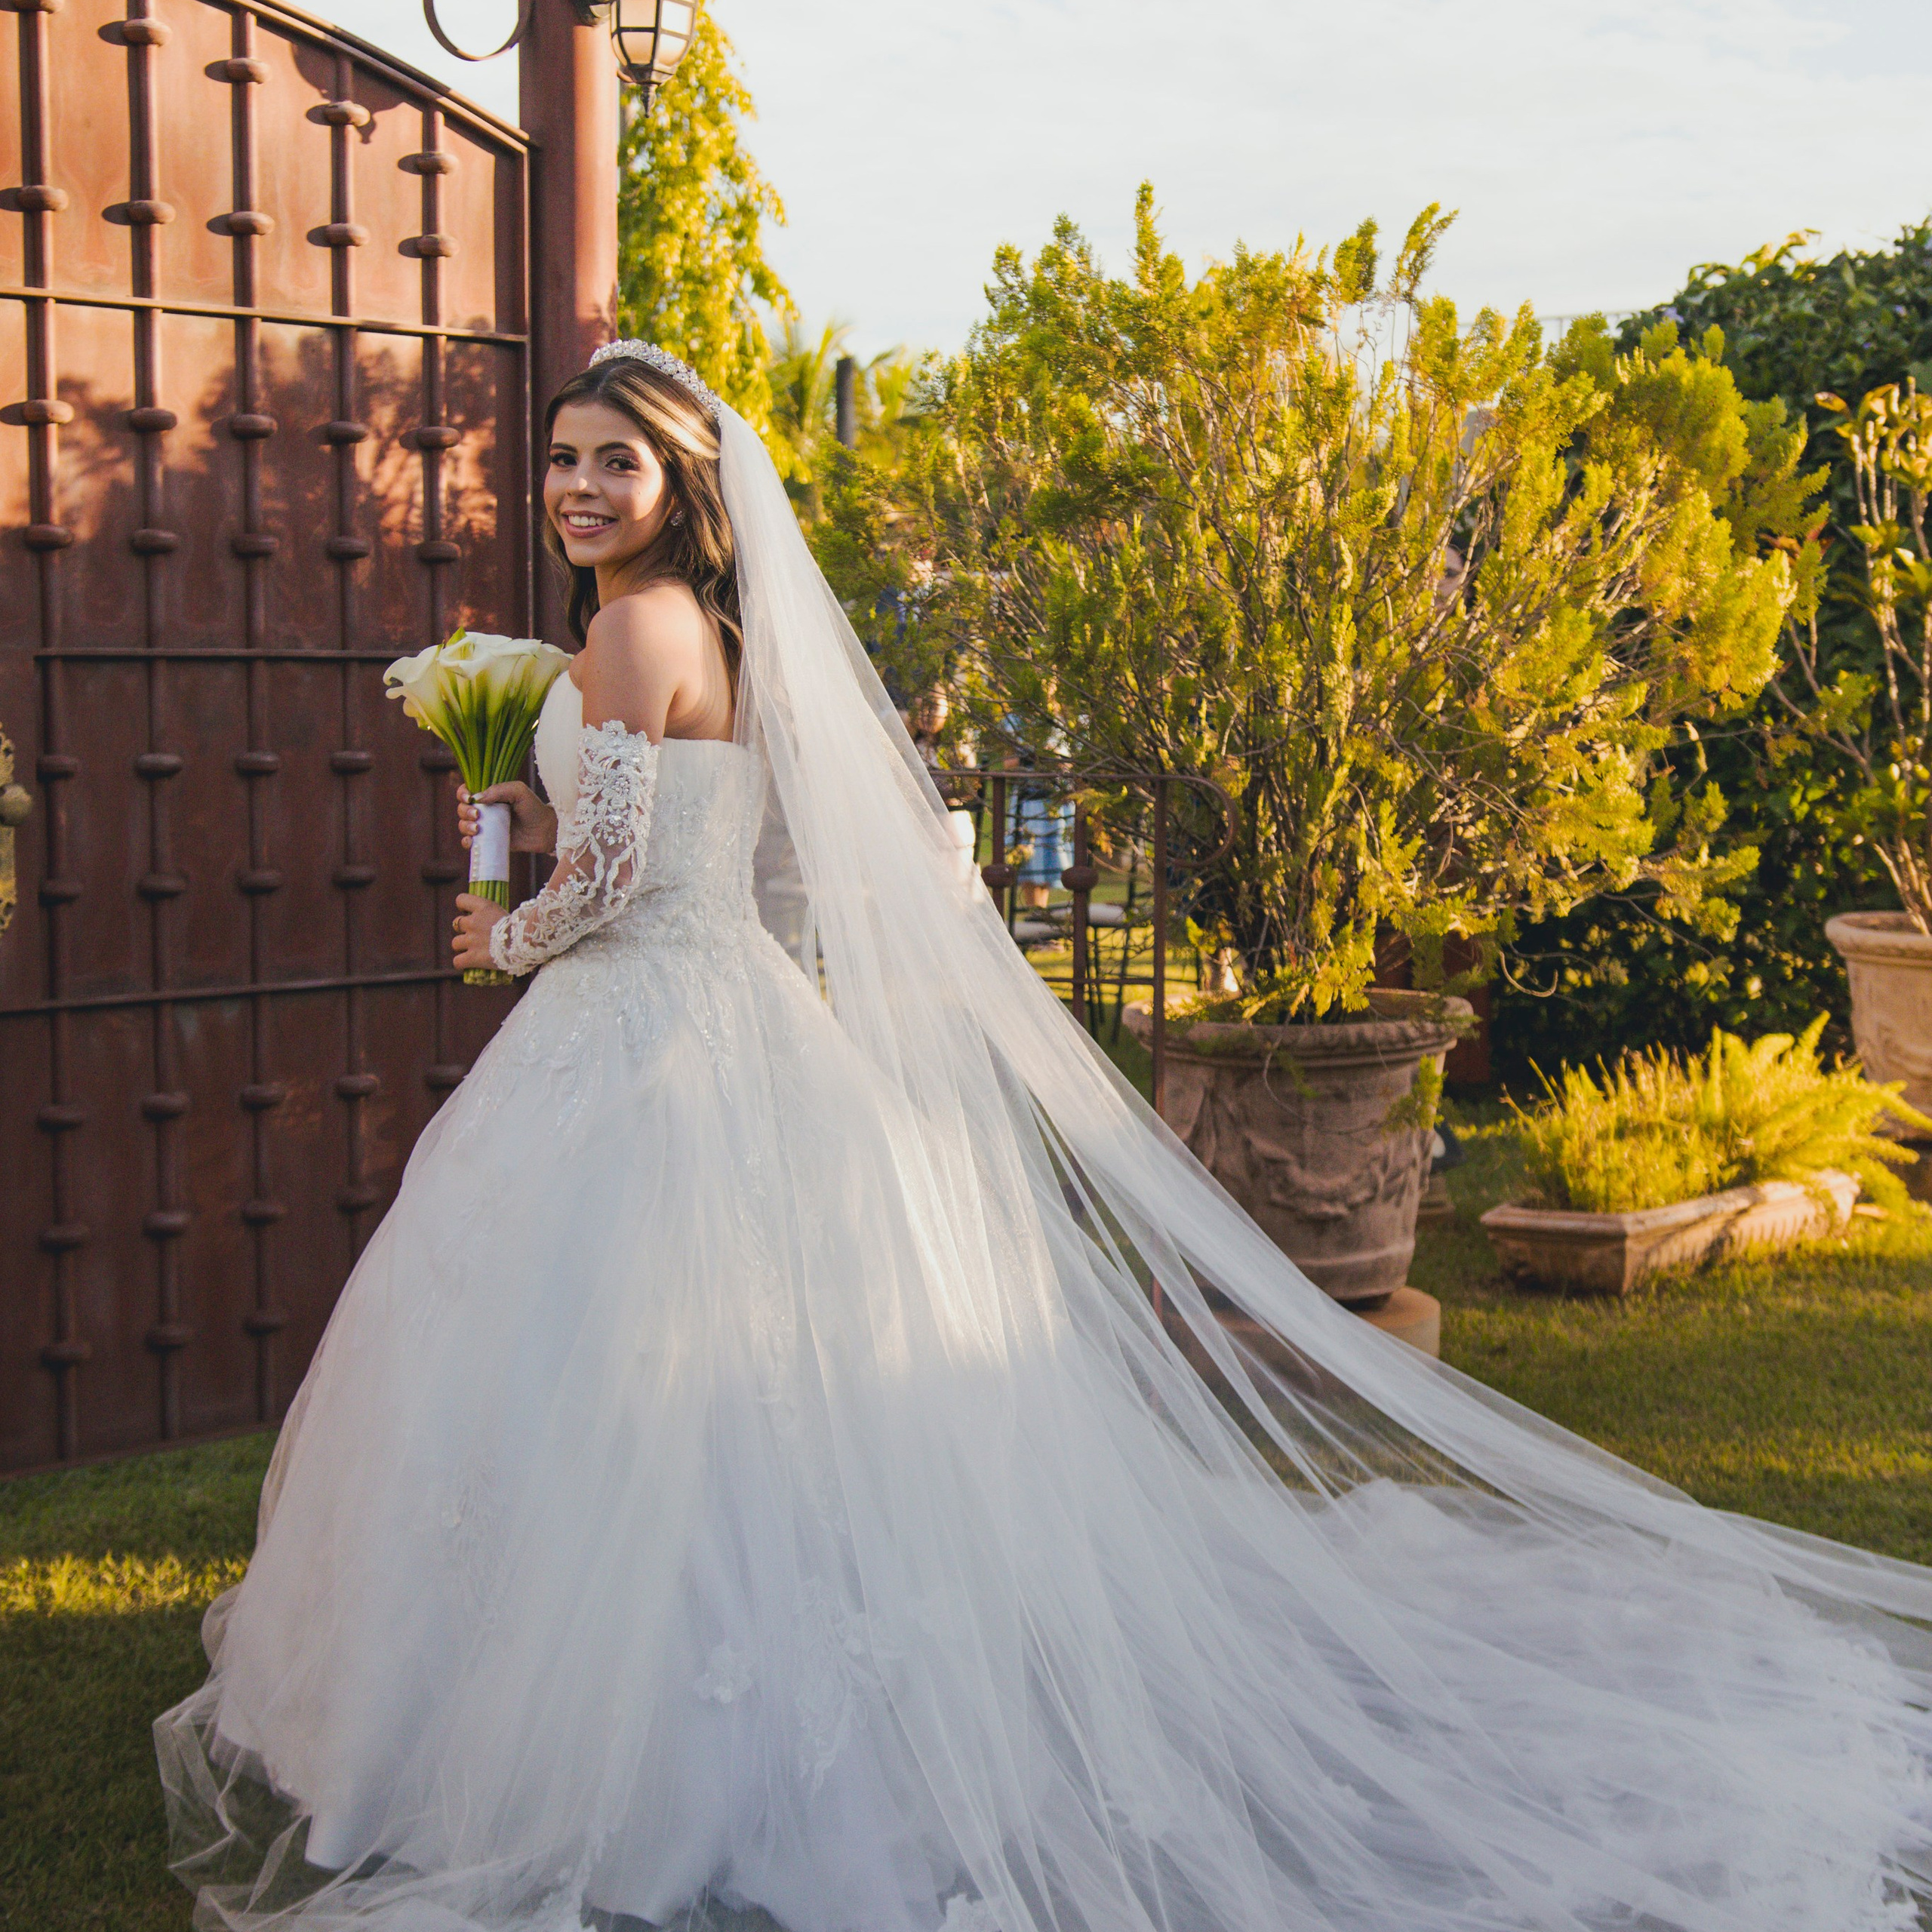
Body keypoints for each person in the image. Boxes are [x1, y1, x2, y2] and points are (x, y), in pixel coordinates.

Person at [156, 344, 1932, 1932]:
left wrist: (506, 932)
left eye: (612, 460)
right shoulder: (717, 630)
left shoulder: (631, 626)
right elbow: (704, 839)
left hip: (643, 1027)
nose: (575, 485)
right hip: (728, 1019)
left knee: (596, 1381)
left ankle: (561, 1747)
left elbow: (613, 878)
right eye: (559, 456)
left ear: (681, 482)